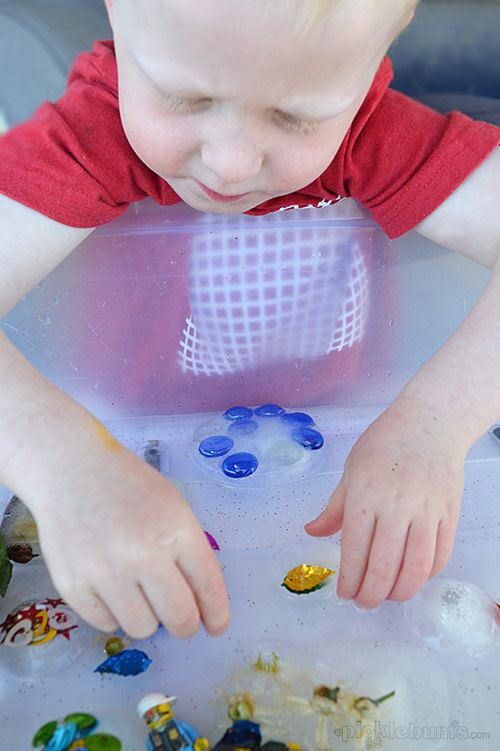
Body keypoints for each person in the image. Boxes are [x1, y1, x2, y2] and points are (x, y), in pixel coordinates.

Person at [0, 0, 500, 641]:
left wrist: (433, 425)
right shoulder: (91, 136)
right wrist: (65, 467)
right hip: (138, 441)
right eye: (183, 97)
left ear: (384, 45)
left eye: (295, 116)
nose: (231, 165)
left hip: (335, 444)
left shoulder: (372, 131)